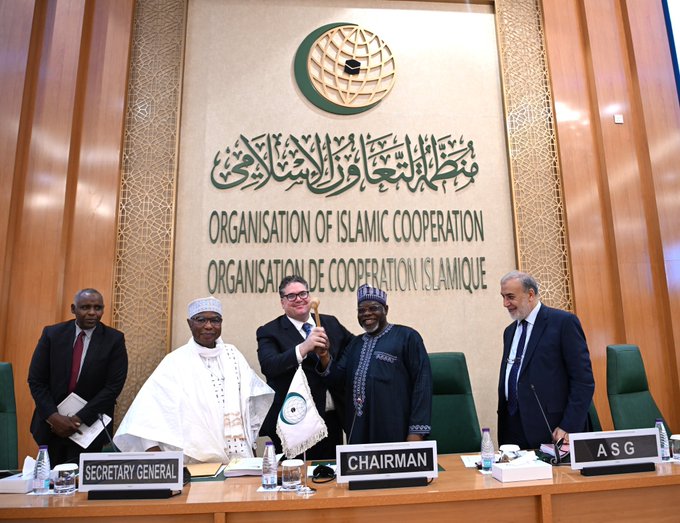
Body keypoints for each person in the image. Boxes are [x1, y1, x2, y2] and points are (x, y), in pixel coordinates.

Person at [114, 297, 274, 464]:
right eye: (201, 319)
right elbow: (146, 416)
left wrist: (252, 448)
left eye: (215, 320)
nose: (208, 326)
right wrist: (159, 463)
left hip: (240, 459)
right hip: (194, 461)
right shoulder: (174, 361)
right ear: (190, 323)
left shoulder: (233, 355)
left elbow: (249, 408)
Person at [317, 284, 432, 444]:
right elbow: (336, 380)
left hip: (395, 428)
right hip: (359, 430)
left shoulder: (407, 337)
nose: (366, 313)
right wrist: (324, 355)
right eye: (361, 310)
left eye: (373, 308)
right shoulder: (354, 344)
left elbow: (422, 383)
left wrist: (416, 432)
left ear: (386, 309)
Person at [257, 275, 354, 459]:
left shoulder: (330, 322)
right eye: (291, 296)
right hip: (294, 423)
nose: (299, 299)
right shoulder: (269, 331)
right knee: (293, 474)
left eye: (303, 293)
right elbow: (269, 366)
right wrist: (304, 347)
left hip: (331, 420)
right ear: (282, 302)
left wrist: (331, 364)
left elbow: (352, 347)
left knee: (329, 473)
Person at [28, 288, 128, 466]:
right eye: (85, 307)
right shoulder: (52, 334)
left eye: (98, 308)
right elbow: (36, 381)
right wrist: (53, 417)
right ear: (73, 309)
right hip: (52, 427)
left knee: (82, 480)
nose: (92, 312)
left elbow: (113, 387)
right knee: (50, 479)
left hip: (88, 428)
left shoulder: (114, 340)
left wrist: (78, 419)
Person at [497, 270, 595, 450]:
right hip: (513, 431)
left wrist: (568, 426)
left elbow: (583, 381)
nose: (505, 303)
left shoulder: (564, 323)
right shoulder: (509, 332)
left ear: (530, 294)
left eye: (510, 297)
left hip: (553, 430)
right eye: (503, 297)